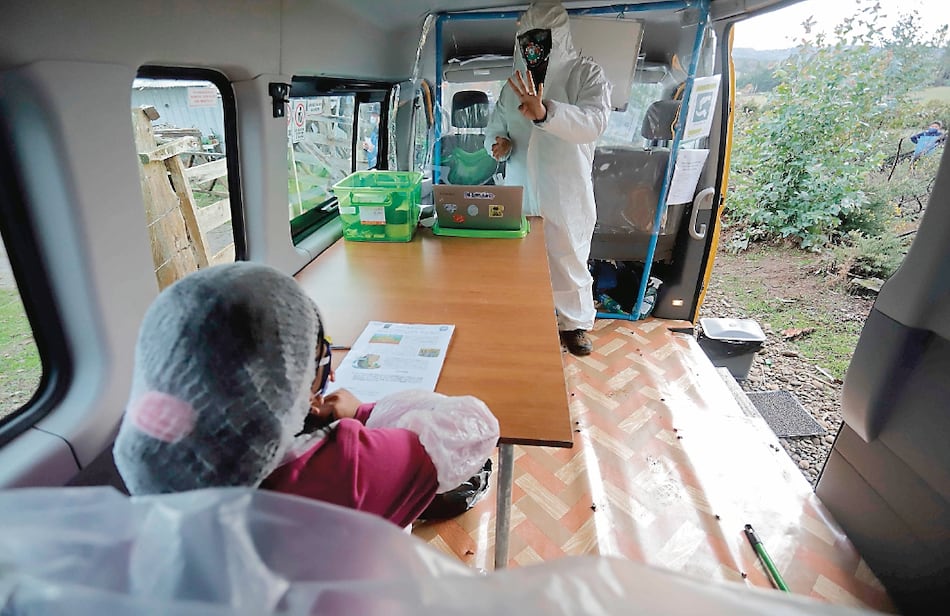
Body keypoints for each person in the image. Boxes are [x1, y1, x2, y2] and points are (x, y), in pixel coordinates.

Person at [113, 262, 498, 528]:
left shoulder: (149, 459)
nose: (329, 373)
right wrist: (362, 413)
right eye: (315, 361)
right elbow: (475, 427)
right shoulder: (348, 468)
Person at [485, 1, 611, 357]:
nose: (533, 49)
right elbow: (495, 129)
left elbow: (593, 122)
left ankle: (574, 326)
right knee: (520, 258)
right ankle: (527, 318)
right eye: (528, 41)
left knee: (567, 257)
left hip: (565, 188)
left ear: (558, 37)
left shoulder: (586, 74)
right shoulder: (512, 85)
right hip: (520, 187)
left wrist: (546, 112)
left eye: (541, 40)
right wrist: (497, 144)